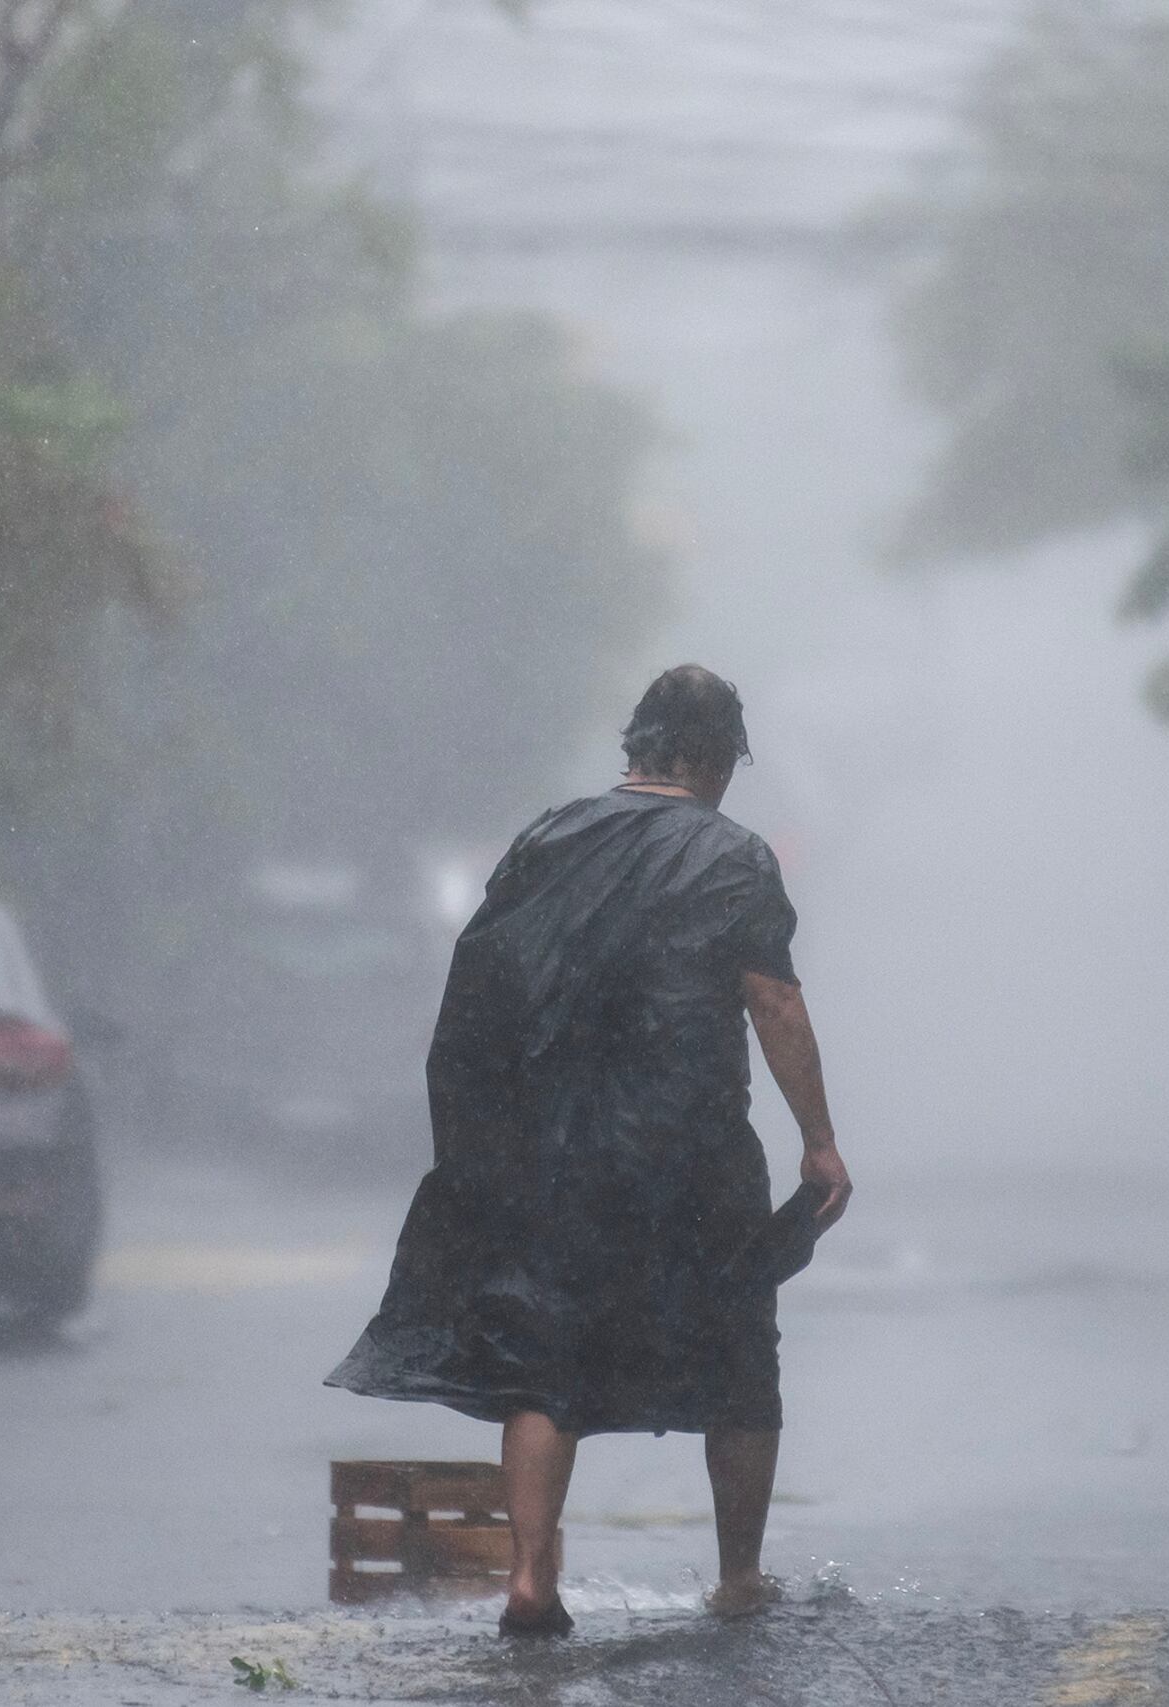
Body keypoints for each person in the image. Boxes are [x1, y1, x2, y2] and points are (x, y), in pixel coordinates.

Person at [327, 664, 852, 1636]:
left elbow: (479, 985)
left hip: (554, 1149)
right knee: (736, 1352)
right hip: (689, 1147)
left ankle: (530, 1577)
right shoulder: (733, 856)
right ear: (710, 758)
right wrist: (819, 1143)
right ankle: (738, 1577)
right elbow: (772, 1001)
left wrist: (479, 1141)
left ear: (638, 748)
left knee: (546, 1360)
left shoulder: (548, 837)